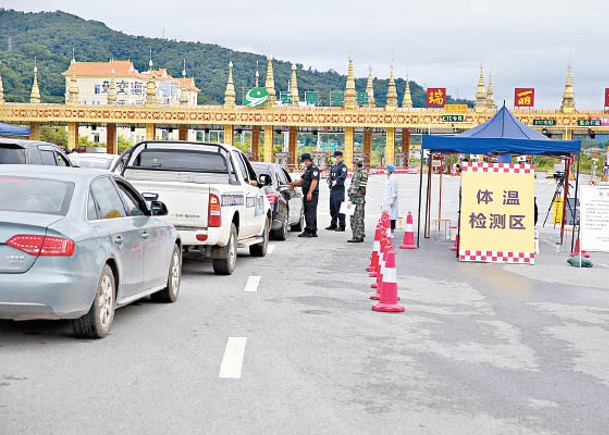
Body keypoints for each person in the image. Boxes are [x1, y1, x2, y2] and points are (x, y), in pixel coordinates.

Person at [290, 153, 320, 238]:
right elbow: (301, 181)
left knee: (309, 212)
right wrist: (291, 184)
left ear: (307, 160)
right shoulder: (308, 169)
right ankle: (313, 230)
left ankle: (308, 231)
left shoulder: (314, 169)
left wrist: (310, 192)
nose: (304, 163)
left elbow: (314, 181)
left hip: (311, 194)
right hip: (308, 193)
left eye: (304, 161)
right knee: (311, 212)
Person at [325, 150, 348, 231]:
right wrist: (329, 179)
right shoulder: (334, 166)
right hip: (333, 189)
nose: (335, 159)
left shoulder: (343, 166)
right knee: (333, 208)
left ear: (340, 157)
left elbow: (343, 175)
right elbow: (331, 175)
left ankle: (342, 225)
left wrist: (336, 181)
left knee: (340, 208)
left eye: (337, 157)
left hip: (339, 189)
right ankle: (333, 224)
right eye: (334, 157)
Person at [347, 159, 368, 243]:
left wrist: (350, 199)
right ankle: (361, 234)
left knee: (354, 219)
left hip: (355, 199)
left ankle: (356, 236)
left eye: (353, 164)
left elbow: (354, 187)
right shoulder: (364, 173)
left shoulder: (357, 174)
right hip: (361, 199)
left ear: (356, 165)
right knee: (361, 218)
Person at [381, 164, 399, 235]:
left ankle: (391, 232)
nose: (385, 170)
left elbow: (394, 189)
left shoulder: (393, 178)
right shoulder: (388, 178)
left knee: (392, 217)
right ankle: (386, 231)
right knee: (386, 216)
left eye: (386, 169)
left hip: (391, 200)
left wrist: (392, 198)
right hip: (386, 199)